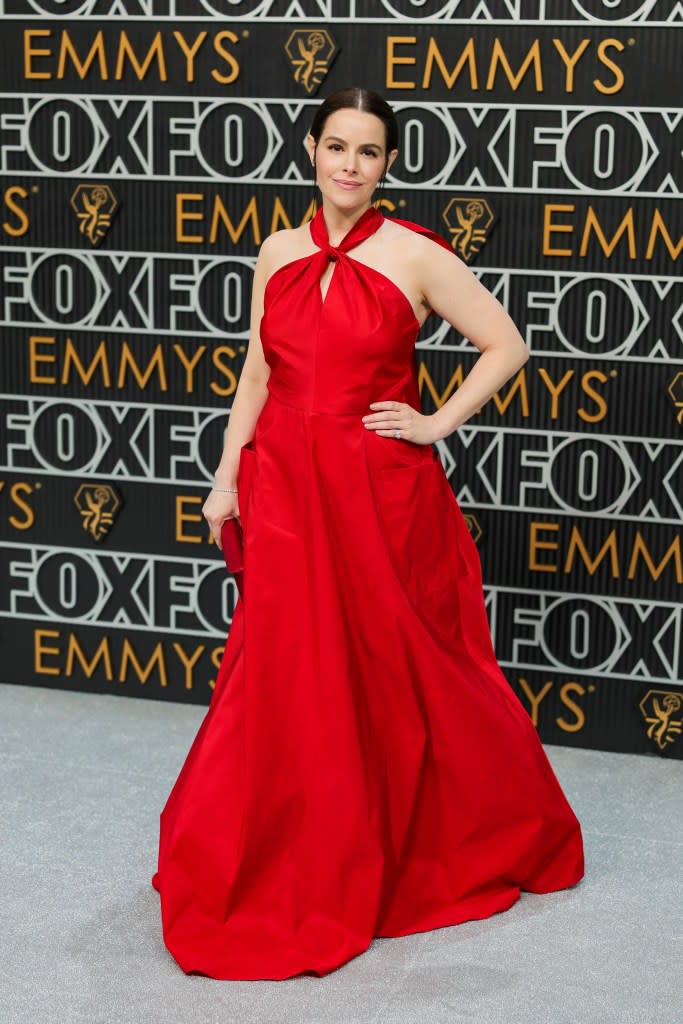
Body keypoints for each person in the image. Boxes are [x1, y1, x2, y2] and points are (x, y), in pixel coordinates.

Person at [151, 86, 584, 981]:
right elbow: (256, 375)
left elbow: (505, 344)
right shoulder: (275, 252)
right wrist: (227, 475)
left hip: (376, 490)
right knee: (290, 666)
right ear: (310, 149)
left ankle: (451, 834)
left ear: (387, 165)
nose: (350, 166)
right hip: (285, 486)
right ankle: (298, 844)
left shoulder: (416, 255)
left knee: (401, 663)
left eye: (370, 152)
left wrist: (433, 424)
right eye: (336, 146)